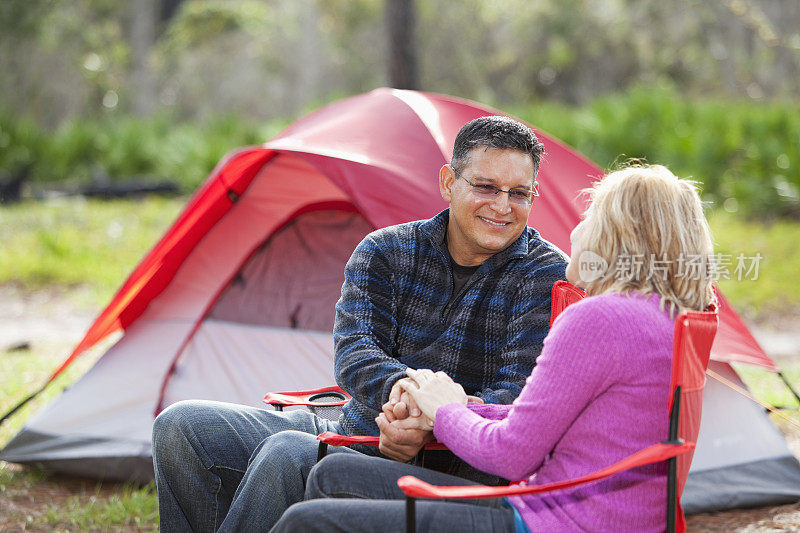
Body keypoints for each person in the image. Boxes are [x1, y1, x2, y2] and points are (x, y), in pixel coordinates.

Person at [152, 116, 568, 531]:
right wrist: (405, 399)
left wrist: (432, 421)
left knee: (289, 453)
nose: (502, 206)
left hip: (457, 464)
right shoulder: (386, 250)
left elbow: (517, 396)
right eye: (486, 187)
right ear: (448, 183)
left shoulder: (546, 275)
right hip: (358, 426)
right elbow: (355, 354)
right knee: (181, 427)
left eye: (519, 193)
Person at [272, 164, 717, 532]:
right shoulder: (663, 318)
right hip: (590, 516)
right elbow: (543, 422)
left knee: (310, 523)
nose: (576, 230)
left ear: (615, 236)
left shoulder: (599, 319)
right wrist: (461, 405)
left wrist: (447, 415)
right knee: (334, 473)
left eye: (590, 219)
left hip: (550, 521)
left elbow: (513, 453)